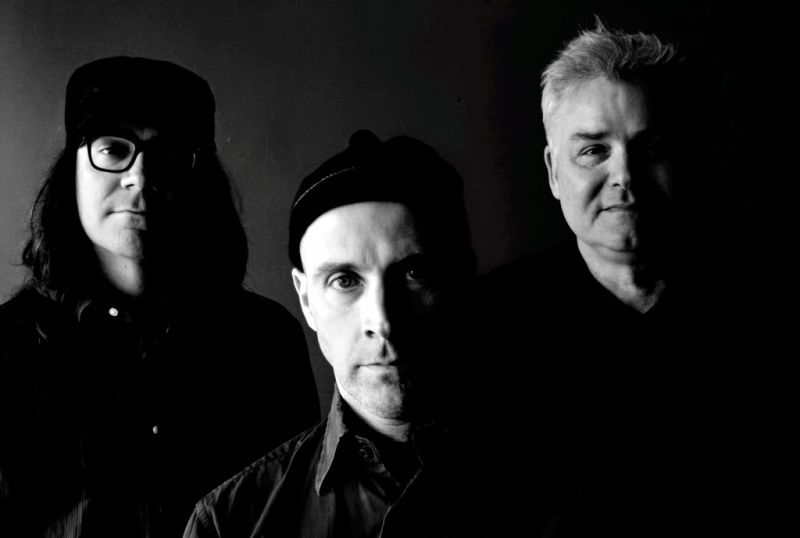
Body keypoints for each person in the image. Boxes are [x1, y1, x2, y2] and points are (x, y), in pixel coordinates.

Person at [461, 22, 766, 536]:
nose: (625, 176)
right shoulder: (489, 325)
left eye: (652, 148)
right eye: (593, 151)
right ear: (554, 172)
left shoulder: (756, 293)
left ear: (688, 160)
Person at [0, 56, 319, 538]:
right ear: (73, 170)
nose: (140, 175)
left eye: (170, 152)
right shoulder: (4, 349)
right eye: (113, 149)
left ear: (200, 176)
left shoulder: (266, 340)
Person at [183, 130, 481, 537]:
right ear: (306, 298)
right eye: (345, 281)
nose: (382, 320)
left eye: (415, 273)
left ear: (463, 277)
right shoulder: (228, 524)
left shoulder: (566, 481)